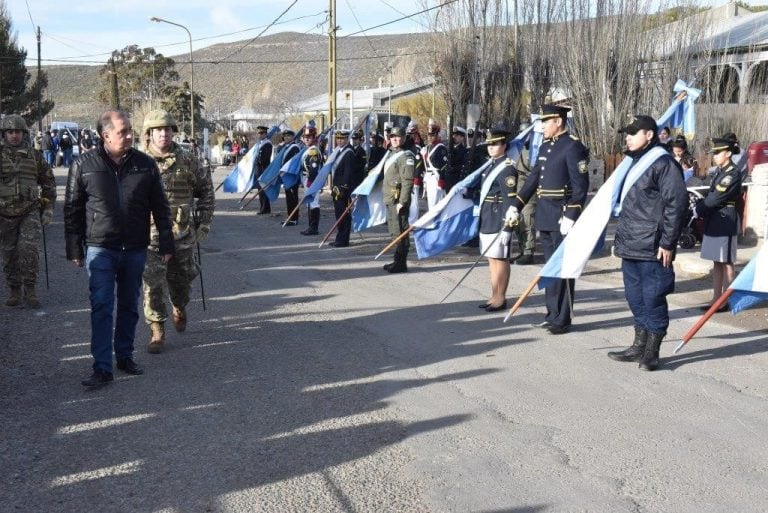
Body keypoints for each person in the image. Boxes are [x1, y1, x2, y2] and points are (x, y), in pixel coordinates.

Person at [64, 110, 174, 388]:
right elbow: (73, 208)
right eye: (123, 131)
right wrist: (74, 247)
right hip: (100, 248)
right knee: (101, 305)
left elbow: (160, 206)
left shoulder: (145, 164)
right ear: (106, 135)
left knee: (129, 305)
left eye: (130, 131)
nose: (129, 136)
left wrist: (166, 240)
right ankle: (102, 367)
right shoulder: (83, 164)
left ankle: (124, 356)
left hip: (135, 248)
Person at [607, 115, 688, 371]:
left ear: (650, 135)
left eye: (633, 132)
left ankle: (652, 351)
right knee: (634, 297)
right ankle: (638, 345)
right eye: (626, 133)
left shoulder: (663, 163)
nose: (628, 137)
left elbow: (677, 204)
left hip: (653, 246)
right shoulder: (631, 162)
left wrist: (667, 242)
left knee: (653, 298)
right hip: (630, 242)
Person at [506, 104, 589, 335]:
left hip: (562, 215)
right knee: (551, 268)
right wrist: (516, 205)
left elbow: (580, 186)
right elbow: (533, 180)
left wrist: (572, 213)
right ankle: (551, 313)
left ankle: (562, 317)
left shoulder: (573, 147)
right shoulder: (544, 147)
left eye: (546, 122)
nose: (542, 127)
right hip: (544, 213)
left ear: (559, 122)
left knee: (563, 269)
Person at [140, 110, 215, 354]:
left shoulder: (188, 159)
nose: (164, 134)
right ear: (149, 133)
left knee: (181, 282)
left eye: (168, 129)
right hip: (148, 235)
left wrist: (204, 223)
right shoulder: (138, 161)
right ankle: (157, 329)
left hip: (181, 233)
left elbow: (206, 192)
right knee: (153, 284)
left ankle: (179, 306)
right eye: (158, 130)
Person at [0, 114, 56, 308]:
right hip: (4, 214)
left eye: (17, 132)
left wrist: (48, 209)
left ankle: (30, 289)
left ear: (24, 133)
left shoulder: (35, 156)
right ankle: (14, 289)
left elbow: (49, 184)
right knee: (9, 253)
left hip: (29, 211)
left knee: (28, 249)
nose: (14, 135)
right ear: (4, 134)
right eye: (10, 132)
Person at [467, 126, 517, 311]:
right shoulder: (491, 165)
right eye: (489, 144)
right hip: (487, 215)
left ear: (504, 145)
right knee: (491, 258)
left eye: (495, 144)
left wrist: (508, 227)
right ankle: (493, 294)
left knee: (500, 258)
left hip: (499, 217)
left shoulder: (507, 169)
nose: (491, 147)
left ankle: (501, 298)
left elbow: (510, 201)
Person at [693, 136, 742, 312]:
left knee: (727, 261)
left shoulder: (732, 173)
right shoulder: (720, 171)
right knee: (717, 261)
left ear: (728, 153)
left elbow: (717, 197)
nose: (714, 156)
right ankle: (716, 299)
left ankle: (729, 299)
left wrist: (698, 209)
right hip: (716, 219)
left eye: (718, 153)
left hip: (725, 220)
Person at [381, 126, 415, 273]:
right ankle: (397, 260)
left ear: (404, 138)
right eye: (392, 136)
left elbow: (407, 181)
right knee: (394, 231)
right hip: (390, 198)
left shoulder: (406, 156)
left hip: (398, 201)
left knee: (400, 231)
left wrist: (402, 202)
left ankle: (401, 263)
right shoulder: (391, 154)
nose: (395, 139)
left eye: (398, 136)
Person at [329, 130, 356, 247]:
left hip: (343, 189)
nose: (339, 140)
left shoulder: (349, 152)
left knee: (343, 215)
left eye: (342, 138)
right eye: (338, 138)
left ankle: (343, 240)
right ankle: (339, 238)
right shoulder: (339, 151)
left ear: (347, 139)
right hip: (336, 188)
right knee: (339, 214)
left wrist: (343, 188)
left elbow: (348, 172)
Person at [515, 128, 538, 265]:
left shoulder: (536, 150)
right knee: (519, 220)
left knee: (528, 219)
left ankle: (529, 251)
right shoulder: (519, 147)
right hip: (520, 186)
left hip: (531, 187)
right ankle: (522, 249)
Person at [299, 126, 324, 236]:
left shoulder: (313, 151)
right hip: (307, 179)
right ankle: (311, 226)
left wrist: (310, 182)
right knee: (310, 203)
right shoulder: (308, 150)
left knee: (314, 203)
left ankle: (314, 228)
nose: (307, 139)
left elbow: (313, 168)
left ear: (314, 137)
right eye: (305, 137)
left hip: (312, 180)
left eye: (309, 137)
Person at [421, 122, 449, 211]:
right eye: (429, 135)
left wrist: (442, 179)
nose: (430, 137)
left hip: (436, 177)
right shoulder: (428, 147)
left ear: (437, 135)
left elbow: (444, 165)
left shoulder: (441, 148)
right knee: (431, 203)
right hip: (429, 177)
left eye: (432, 135)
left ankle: (435, 223)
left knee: (436, 203)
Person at [251, 126, 273, 215]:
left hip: (264, 169)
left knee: (263, 189)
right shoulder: (260, 144)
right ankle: (263, 207)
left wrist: (258, 161)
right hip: (259, 169)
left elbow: (265, 158)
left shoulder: (267, 144)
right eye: (259, 133)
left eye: (262, 133)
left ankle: (265, 208)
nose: (260, 135)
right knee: (260, 189)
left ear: (266, 134)